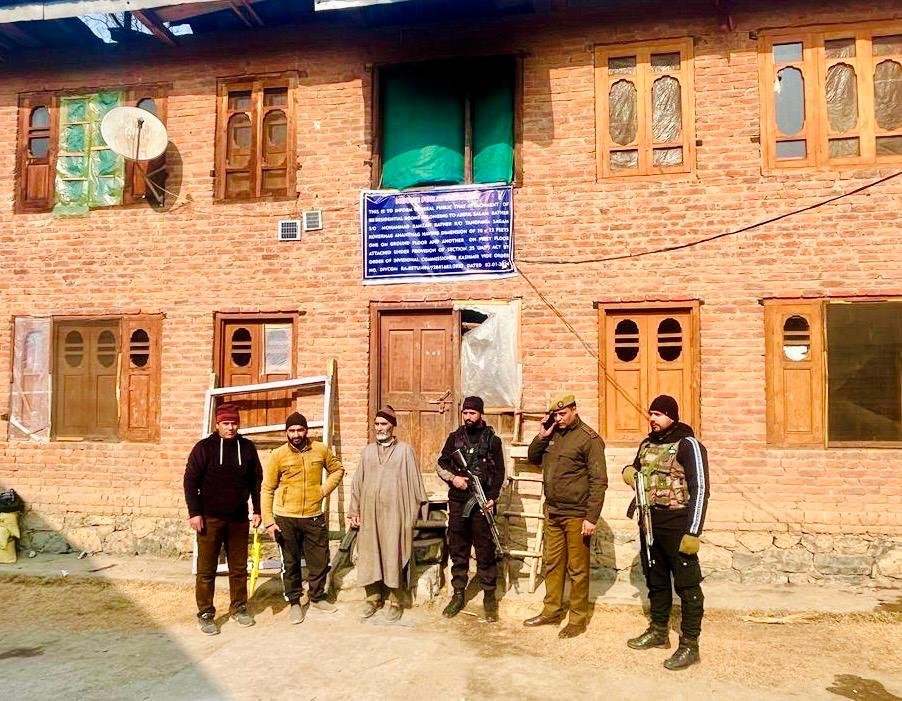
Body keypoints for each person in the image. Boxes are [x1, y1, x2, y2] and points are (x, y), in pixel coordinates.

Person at [622, 394, 709, 670]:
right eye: (651, 413)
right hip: (649, 524)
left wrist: (693, 531)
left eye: (658, 414)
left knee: (687, 586)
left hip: (677, 525)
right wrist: (628, 471)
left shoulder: (688, 444)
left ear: (671, 416)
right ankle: (659, 631)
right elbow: (636, 469)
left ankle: (690, 645)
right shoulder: (647, 444)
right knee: (656, 580)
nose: (652, 418)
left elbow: (701, 488)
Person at [523, 393, 607, 638]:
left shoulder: (589, 439)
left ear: (574, 410)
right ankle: (552, 611)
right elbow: (532, 458)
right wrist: (542, 435)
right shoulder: (552, 434)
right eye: (555, 415)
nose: (558, 419)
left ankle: (578, 619)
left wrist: (591, 518)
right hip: (554, 512)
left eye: (563, 414)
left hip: (577, 515)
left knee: (577, 570)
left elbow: (599, 481)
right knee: (553, 564)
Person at [184, 402, 262, 635]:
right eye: (226, 423)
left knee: (238, 568)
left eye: (234, 423)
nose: (230, 428)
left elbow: (256, 481)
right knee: (206, 569)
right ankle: (206, 613)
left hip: (238, 518)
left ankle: (239, 607)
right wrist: (194, 513)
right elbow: (190, 481)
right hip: (210, 518)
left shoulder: (247, 448)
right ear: (217, 424)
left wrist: (257, 510)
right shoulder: (204, 448)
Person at [261, 411, 344, 624]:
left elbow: (337, 470)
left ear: (306, 430)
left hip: (313, 515)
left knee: (320, 560)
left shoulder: (320, 449)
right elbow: (267, 489)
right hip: (285, 517)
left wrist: (322, 491)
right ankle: (295, 602)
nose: (296, 434)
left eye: (300, 430)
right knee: (290, 563)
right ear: (286, 432)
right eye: (292, 430)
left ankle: (317, 597)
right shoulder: (278, 455)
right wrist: (269, 521)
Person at [349, 406, 428, 622]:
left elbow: (415, 482)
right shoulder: (367, 452)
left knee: (394, 553)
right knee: (370, 553)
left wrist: (414, 514)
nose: (379, 428)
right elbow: (357, 483)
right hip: (370, 513)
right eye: (376, 424)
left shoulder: (405, 451)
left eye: (383, 424)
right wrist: (354, 509)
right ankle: (373, 598)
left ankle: (395, 600)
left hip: (395, 514)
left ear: (392, 426)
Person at [436, 396, 506, 622]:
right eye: (465, 413)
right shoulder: (454, 438)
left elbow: (500, 472)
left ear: (481, 414)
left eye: (472, 413)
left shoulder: (493, 441)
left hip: (482, 503)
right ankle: (458, 594)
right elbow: (441, 463)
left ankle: (489, 597)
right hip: (458, 502)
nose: (468, 417)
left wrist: (493, 497)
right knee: (458, 548)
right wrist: (453, 478)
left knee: (485, 550)